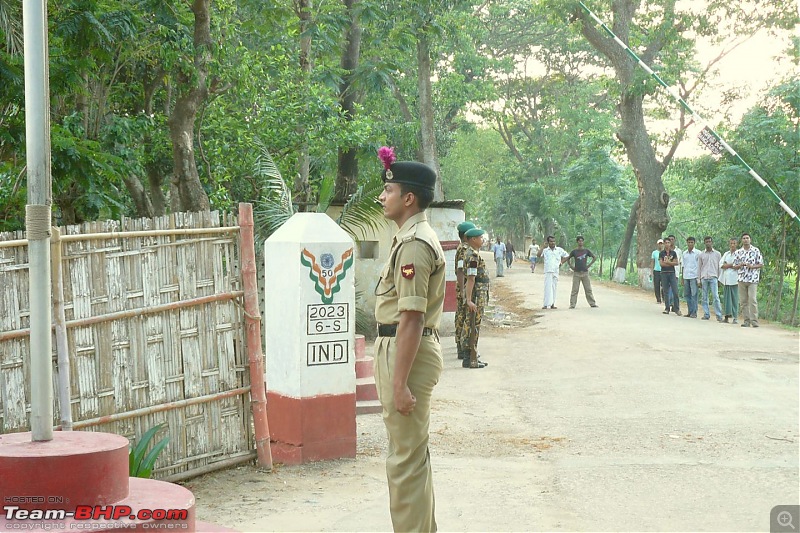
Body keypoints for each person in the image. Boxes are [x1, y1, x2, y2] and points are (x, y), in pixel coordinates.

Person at [373, 146, 444, 532]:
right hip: (400, 349)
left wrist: (399, 383)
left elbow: (412, 318)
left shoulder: (415, 243)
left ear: (409, 198)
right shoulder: (407, 238)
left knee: (404, 462)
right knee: (411, 457)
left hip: (406, 354)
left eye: (388, 190)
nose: (382, 197)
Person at [461, 227, 490, 369]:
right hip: (476, 294)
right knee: (473, 324)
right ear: (473, 239)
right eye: (480, 237)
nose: (482, 240)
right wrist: (469, 300)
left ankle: (471, 355)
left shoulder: (471, 253)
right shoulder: (472, 255)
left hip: (477, 293)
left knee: (473, 323)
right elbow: (471, 278)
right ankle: (469, 357)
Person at [732, 232, 764, 328]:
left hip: (752, 278)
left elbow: (761, 264)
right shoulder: (738, 252)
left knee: (752, 299)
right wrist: (740, 265)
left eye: (747, 238)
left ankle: (754, 321)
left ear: (750, 239)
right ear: (742, 240)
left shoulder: (755, 250)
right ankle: (746, 320)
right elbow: (734, 266)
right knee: (743, 301)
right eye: (744, 238)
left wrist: (752, 266)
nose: (746, 240)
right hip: (742, 278)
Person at [454, 221, 475, 360]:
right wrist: (463, 291)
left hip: (464, 286)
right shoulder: (463, 249)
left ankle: (461, 346)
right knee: (463, 316)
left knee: (462, 315)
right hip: (464, 286)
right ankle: (462, 348)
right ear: (466, 236)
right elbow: (461, 270)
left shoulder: (463, 247)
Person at [567, 236, 598, 309]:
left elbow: (594, 257)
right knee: (575, 290)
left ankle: (592, 303)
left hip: (585, 273)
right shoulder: (574, 251)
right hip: (576, 273)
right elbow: (568, 258)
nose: (580, 242)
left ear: (583, 242)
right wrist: (571, 266)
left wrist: (589, 265)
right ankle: (572, 304)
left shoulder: (586, 251)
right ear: (577, 242)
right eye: (579, 241)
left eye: (582, 241)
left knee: (588, 289)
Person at [537, 236, 568, 309]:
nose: (553, 243)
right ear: (548, 242)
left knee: (554, 287)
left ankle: (552, 304)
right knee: (547, 287)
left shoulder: (559, 250)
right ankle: (545, 304)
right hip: (548, 271)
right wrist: (542, 247)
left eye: (554, 241)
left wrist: (561, 263)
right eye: (551, 241)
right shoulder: (545, 250)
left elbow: (567, 256)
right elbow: (538, 255)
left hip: (555, 271)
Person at [697, 236, 723, 322]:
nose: (708, 243)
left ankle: (719, 315)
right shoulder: (701, 254)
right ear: (704, 243)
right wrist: (698, 279)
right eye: (706, 242)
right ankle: (706, 314)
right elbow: (699, 267)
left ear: (712, 243)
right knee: (704, 297)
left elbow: (720, 267)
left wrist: (720, 279)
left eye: (709, 241)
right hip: (704, 277)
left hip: (714, 277)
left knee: (715, 297)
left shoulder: (717, 254)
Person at [719, 238, 740, 324]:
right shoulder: (726, 254)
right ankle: (726, 316)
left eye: (734, 243)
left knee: (734, 298)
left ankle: (735, 317)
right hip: (726, 279)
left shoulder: (739, 254)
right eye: (731, 243)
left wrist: (727, 265)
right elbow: (721, 265)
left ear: (737, 244)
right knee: (726, 299)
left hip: (735, 279)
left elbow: (738, 265)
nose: (732, 245)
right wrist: (731, 265)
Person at [660, 238, 682, 315]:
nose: (667, 244)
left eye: (668, 242)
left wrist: (668, 262)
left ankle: (677, 308)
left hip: (672, 273)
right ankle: (667, 308)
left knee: (675, 291)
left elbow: (676, 263)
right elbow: (661, 264)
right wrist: (670, 263)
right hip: (664, 273)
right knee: (666, 291)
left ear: (670, 243)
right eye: (665, 243)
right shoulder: (662, 253)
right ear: (663, 244)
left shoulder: (674, 253)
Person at [681, 237, 700, 318]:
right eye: (689, 242)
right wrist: (682, 277)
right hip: (686, 276)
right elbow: (683, 265)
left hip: (694, 276)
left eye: (691, 242)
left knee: (694, 294)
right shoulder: (684, 253)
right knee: (687, 294)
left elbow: (700, 266)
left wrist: (699, 278)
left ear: (694, 243)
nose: (690, 244)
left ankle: (694, 312)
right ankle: (689, 311)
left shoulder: (698, 253)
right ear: (687, 243)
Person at [651, 239, 664, 304]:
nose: (660, 245)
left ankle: (664, 298)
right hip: (656, 270)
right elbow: (652, 262)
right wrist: (651, 271)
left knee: (664, 285)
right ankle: (658, 299)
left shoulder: (665, 252)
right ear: (657, 244)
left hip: (663, 270)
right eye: (659, 243)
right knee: (656, 285)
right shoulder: (654, 253)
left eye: (661, 243)